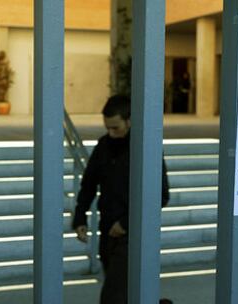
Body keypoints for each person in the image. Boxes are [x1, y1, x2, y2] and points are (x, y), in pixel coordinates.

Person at [72, 94, 171, 304]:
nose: (111, 133)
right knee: (125, 294)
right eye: (107, 127)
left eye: (115, 127)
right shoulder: (104, 146)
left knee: (113, 296)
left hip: (133, 234)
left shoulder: (146, 149)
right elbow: (89, 184)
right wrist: (80, 217)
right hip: (107, 232)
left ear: (130, 121)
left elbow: (161, 195)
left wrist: (125, 224)